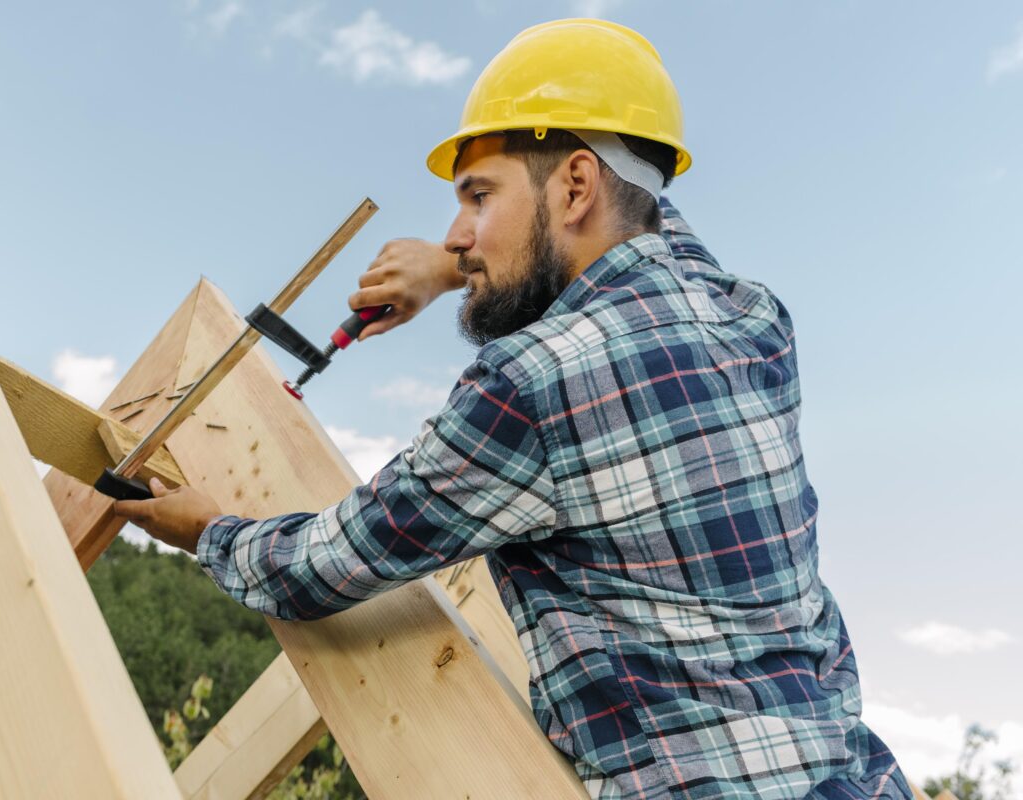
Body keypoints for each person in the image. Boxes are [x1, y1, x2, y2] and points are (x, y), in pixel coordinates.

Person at [114, 19, 910, 798]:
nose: (457, 230)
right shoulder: (753, 318)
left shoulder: (530, 385)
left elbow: (328, 564)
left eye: (477, 197)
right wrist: (465, 265)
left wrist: (210, 531)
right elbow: (647, 231)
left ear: (574, 185)